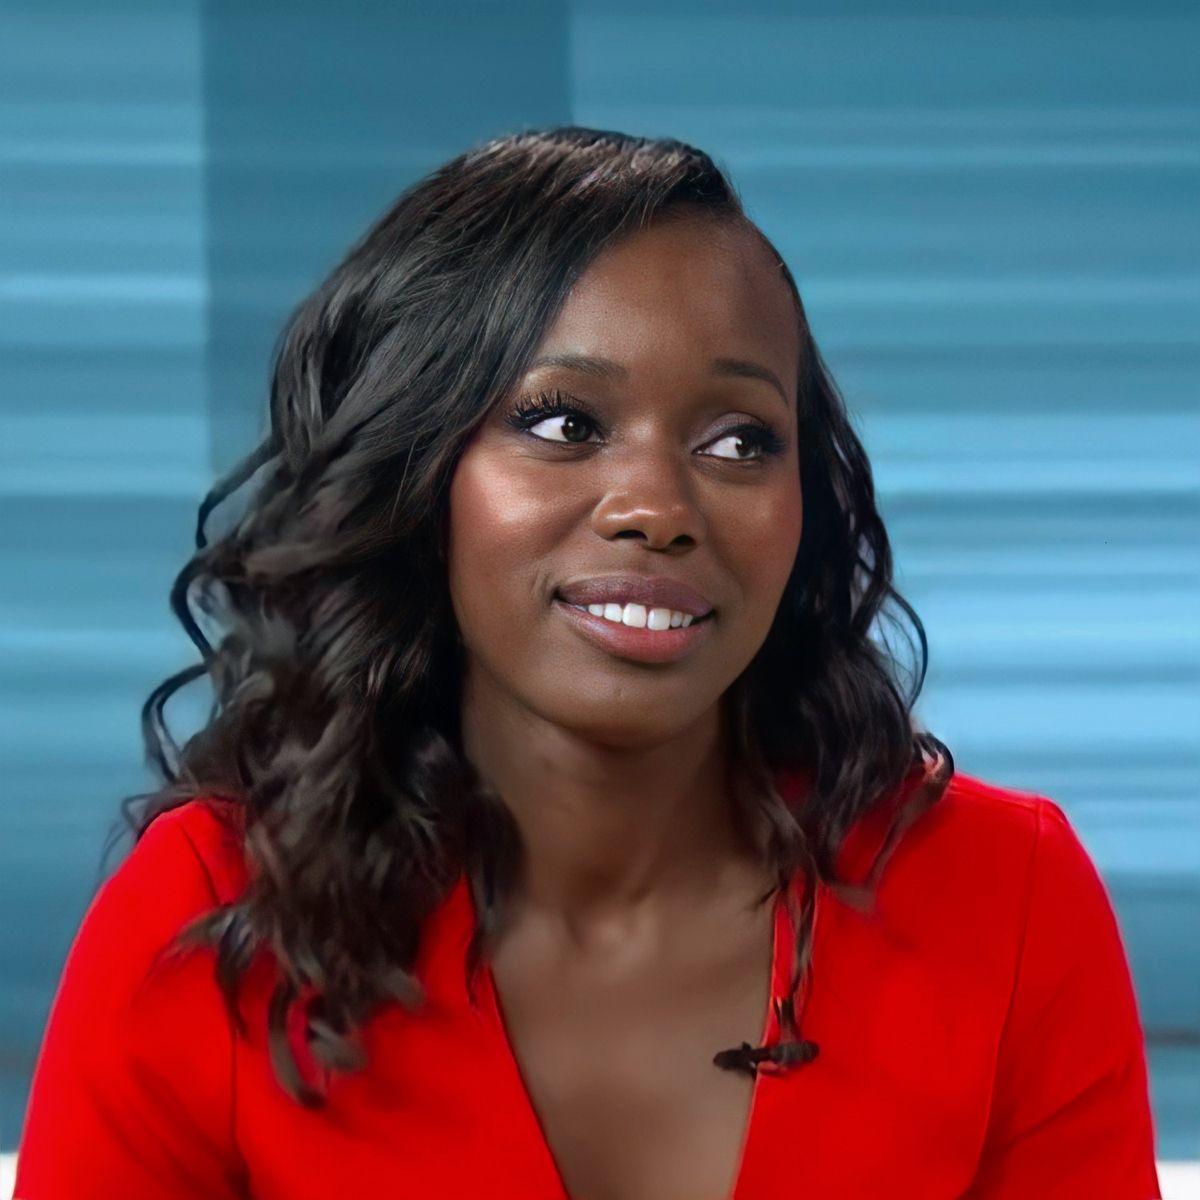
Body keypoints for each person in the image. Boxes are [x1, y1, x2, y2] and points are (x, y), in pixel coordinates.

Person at [14, 127, 1161, 1199]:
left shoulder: (1006, 901)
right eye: (564, 424)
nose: (657, 508)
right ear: (419, 468)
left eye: (738, 440)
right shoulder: (211, 911)